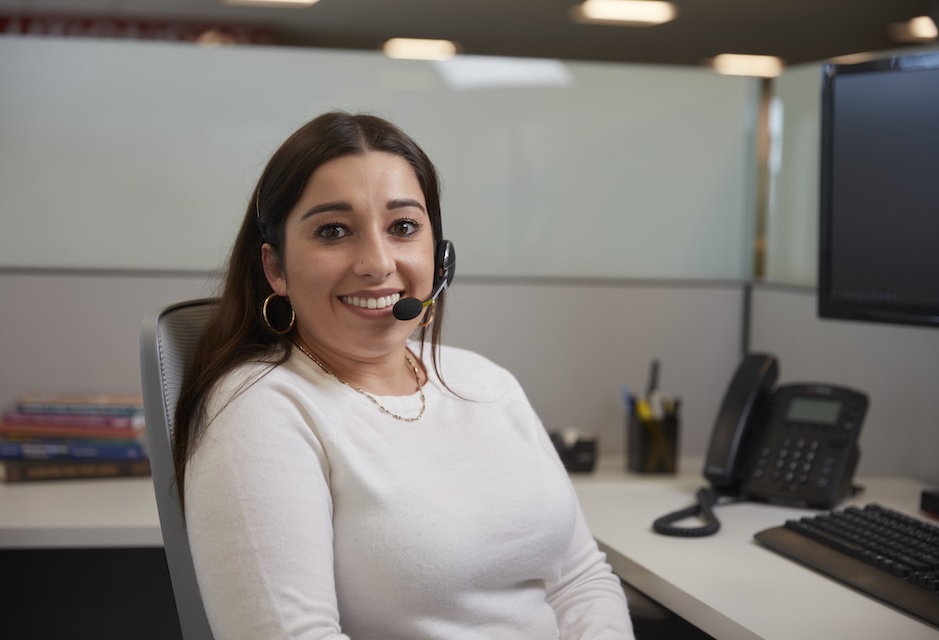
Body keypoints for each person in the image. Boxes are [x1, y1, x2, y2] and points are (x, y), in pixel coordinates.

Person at [174, 111, 636, 639]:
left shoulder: (486, 383)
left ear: (438, 257)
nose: (377, 262)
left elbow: (579, 579)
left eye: (403, 227)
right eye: (333, 230)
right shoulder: (260, 411)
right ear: (275, 268)